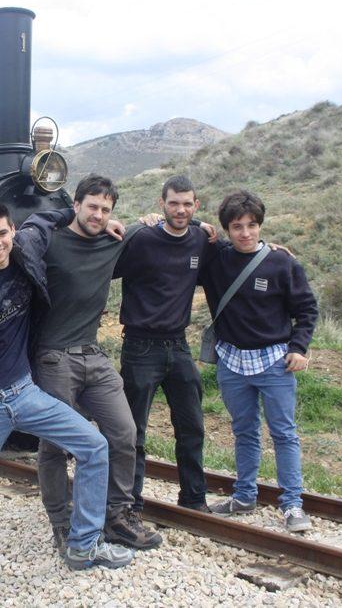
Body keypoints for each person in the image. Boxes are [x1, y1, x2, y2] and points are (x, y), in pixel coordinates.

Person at [0, 200, 133, 608]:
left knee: (94, 447)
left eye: (2, 234)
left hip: (25, 393)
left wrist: (103, 220)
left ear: (13, 233)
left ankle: (82, 545)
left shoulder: (25, 257)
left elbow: (50, 217)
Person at [0, 175, 170, 551]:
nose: (99, 215)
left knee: (124, 432)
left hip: (93, 353)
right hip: (54, 356)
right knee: (55, 446)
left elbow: (172, 224)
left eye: (106, 209)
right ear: (76, 206)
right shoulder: (46, 242)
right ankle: (62, 521)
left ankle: (116, 516)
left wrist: (195, 225)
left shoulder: (113, 241)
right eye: (92, 207)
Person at [201, 190, 318, 534]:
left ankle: (293, 504)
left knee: (284, 433)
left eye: (252, 225)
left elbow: (307, 309)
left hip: (274, 362)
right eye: (237, 226)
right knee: (244, 431)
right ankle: (244, 495)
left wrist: (299, 347)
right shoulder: (217, 259)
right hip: (231, 361)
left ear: (260, 225)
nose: (246, 233)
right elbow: (184, 234)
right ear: (227, 229)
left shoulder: (282, 263)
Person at [114, 175, 221, 514]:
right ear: (161, 204)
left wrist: (274, 250)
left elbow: (236, 254)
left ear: (196, 206)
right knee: (134, 433)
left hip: (179, 346)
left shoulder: (200, 241)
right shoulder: (142, 238)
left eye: (187, 204)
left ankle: (193, 499)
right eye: (173, 203)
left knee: (191, 426)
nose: (180, 209)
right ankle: (130, 504)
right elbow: (101, 264)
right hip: (140, 347)